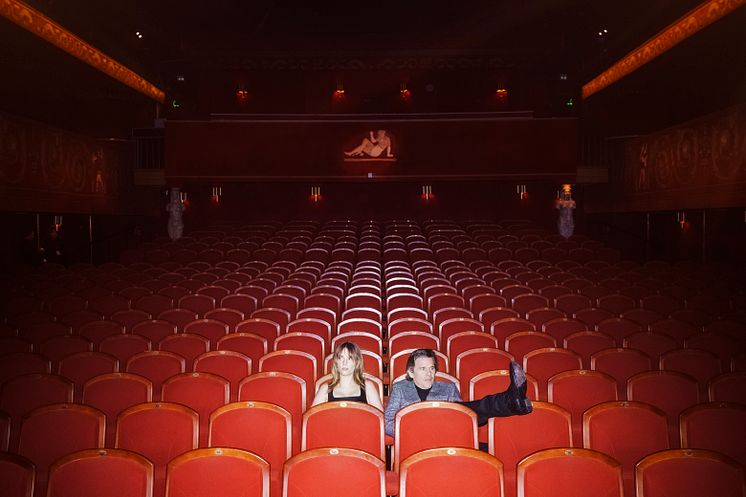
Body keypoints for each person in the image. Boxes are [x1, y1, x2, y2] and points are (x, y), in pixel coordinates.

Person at [384, 348, 532, 437]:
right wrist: (415, 430)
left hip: (447, 434)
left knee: (470, 409)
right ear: (411, 372)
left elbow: (466, 418)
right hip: (416, 440)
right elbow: (388, 422)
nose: (429, 373)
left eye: (432, 368)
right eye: (423, 369)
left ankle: (512, 400)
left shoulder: (448, 388)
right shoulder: (400, 388)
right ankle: (510, 401)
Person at [312, 341, 384, 410]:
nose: (344, 363)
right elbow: (312, 418)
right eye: (341, 358)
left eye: (349, 358)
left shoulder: (368, 387)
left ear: (357, 363)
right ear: (336, 362)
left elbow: (379, 418)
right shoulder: (325, 389)